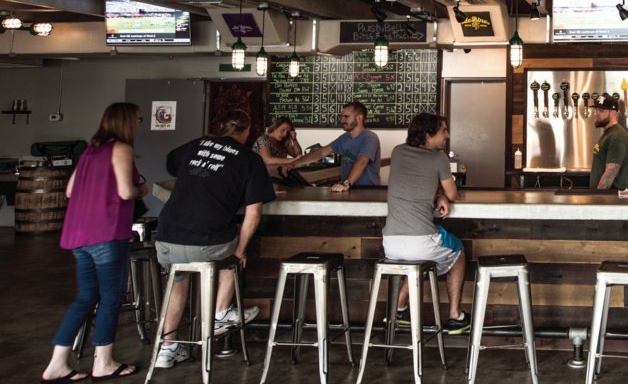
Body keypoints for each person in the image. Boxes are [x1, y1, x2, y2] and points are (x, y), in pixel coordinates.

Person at [152, 109, 276, 369]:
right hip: (208, 244)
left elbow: (173, 164)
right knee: (232, 253)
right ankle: (220, 313)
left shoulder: (197, 144)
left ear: (220, 128)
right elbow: (253, 215)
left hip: (167, 238)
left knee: (178, 279)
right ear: (247, 131)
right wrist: (241, 251)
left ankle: (167, 348)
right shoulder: (249, 159)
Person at [41, 103, 147, 383]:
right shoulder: (121, 148)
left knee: (85, 298)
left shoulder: (90, 150)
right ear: (126, 121)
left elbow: (70, 190)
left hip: (79, 236)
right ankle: (104, 362)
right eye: (138, 119)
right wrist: (142, 189)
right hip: (107, 233)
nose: (140, 123)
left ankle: (57, 364)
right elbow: (126, 192)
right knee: (111, 299)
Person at [383, 113, 471, 335]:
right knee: (458, 250)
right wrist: (442, 195)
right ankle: (455, 316)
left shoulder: (397, 152)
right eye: (443, 130)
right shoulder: (439, 158)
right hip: (421, 242)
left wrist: (437, 195)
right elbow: (453, 194)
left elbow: (415, 184)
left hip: (390, 244)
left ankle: (400, 309)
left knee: (419, 261)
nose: (447, 135)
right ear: (427, 134)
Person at [292, 101, 381, 191]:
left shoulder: (370, 137)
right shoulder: (344, 138)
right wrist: (293, 164)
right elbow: (322, 152)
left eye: (346, 117)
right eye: (341, 117)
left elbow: (362, 162)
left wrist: (346, 183)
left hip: (367, 191)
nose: (342, 120)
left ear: (359, 118)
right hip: (349, 189)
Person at [589, 95, 628, 190]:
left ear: (613, 113)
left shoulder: (617, 135)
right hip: (607, 198)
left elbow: (611, 171)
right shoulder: (608, 134)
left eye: (601, 111)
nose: (596, 114)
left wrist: (597, 197)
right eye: (596, 110)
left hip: (612, 199)